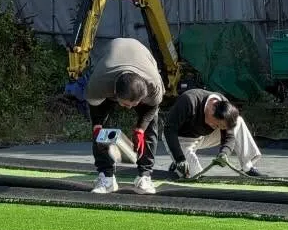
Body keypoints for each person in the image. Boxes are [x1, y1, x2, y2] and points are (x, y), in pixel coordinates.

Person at [85, 35, 165, 197]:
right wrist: (97, 127)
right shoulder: (99, 84)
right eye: (125, 104)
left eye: (134, 105)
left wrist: (140, 130)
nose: (129, 109)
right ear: (115, 94)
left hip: (143, 58)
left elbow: (152, 107)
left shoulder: (153, 86)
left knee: (150, 125)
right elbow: (95, 108)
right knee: (102, 133)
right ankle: (106, 178)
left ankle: (144, 176)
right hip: (111, 61)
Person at [162, 87, 260, 179]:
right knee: (195, 176)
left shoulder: (224, 105)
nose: (216, 127)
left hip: (202, 136)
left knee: (237, 121)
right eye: (216, 125)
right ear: (212, 109)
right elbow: (169, 129)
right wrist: (179, 157)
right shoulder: (188, 100)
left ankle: (247, 167)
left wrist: (224, 153)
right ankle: (178, 161)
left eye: (219, 126)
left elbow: (229, 136)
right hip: (182, 139)